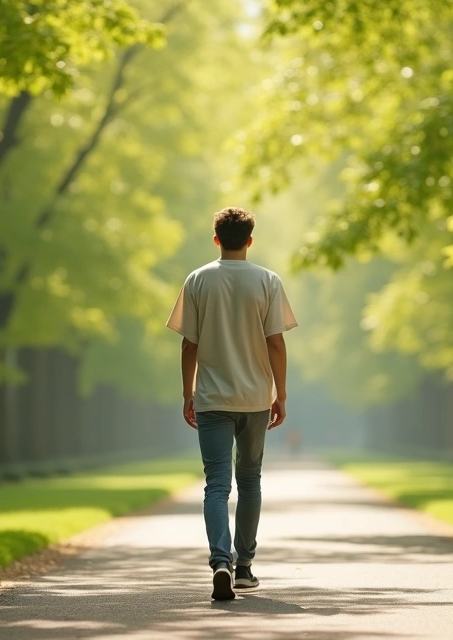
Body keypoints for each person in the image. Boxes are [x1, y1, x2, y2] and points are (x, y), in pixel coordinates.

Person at [166, 206, 298, 601]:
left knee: (216, 484)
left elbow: (188, 342)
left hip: (211, 398)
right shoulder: (267, 281)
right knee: (251, 479)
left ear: (216, 239)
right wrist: (281, 393)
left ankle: (220, 560)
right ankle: (244, 568)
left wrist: (188, 394)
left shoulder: (197, 280)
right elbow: (276, 341)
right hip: (256, 397)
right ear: (250, 240)